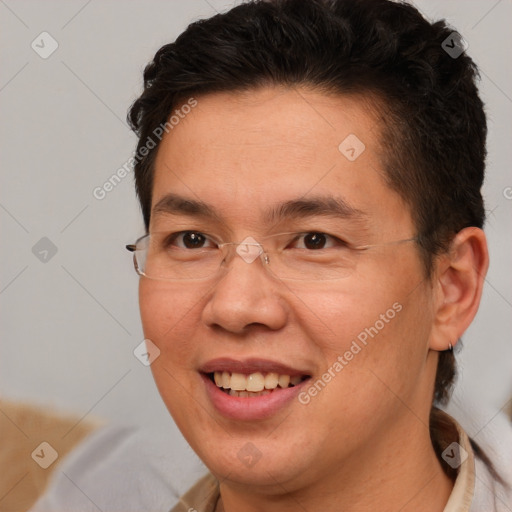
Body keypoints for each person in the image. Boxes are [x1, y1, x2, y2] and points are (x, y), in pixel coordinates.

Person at [30, 0, 512, 511]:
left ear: (451, 290)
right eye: (192, 239)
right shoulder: (95, 492)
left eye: (314, 241)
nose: (235, 307)